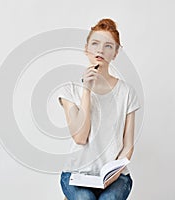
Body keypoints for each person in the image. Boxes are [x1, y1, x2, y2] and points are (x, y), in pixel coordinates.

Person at [57, 18, 141, 200]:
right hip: (76, 175)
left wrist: (113, 175)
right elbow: (80, 137)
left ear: (116, 53)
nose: (100, 50)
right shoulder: (69, 90)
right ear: (86, 48)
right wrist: (86, 89)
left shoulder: (127, 93)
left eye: (109, 46)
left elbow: (128, 145)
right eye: (95, 43)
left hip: (116, 178)